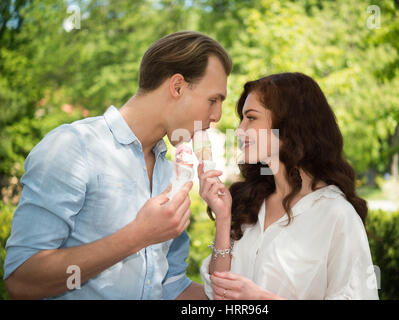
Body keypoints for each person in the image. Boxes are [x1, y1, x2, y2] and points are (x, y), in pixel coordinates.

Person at [4, 31, 232, 300]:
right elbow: (21, 280)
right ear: (177, 86)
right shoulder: (73, 146)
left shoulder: (167, 173)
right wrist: (138, 235)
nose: (216, 116)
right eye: (213, 100)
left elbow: (170, 287)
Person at [198, 72, 379, 300]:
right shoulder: (250, 201)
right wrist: (223, 219)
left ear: (290, 125)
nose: (240, 130)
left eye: (251, 118)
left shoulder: (336, 214)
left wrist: (262, 300)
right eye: (241, 119)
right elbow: (219, 292)